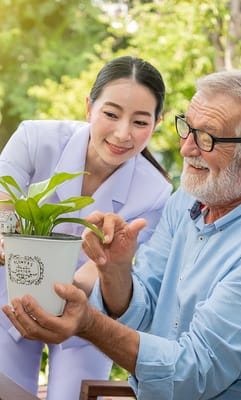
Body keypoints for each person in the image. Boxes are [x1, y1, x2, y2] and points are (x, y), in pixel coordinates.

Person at [3, 69, 241, 400]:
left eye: (207, 138)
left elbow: (191, 374)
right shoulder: (186, 201)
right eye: (188, 129)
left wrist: (88, 323)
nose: (186, 149)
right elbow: (144, 311)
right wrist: (115, 271)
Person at [0, 55, 172, 400]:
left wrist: (63, 304)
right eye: (111, 114)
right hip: (8, 295)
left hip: (83, 311)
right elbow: (4, 206)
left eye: (140, 121)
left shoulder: (156, 192)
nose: (123, 134)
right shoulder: (36, 139)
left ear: (157, 123)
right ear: (89, 108)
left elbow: (101, 269)